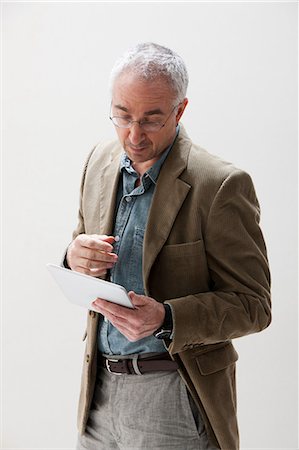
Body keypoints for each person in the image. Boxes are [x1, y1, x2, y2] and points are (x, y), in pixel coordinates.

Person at [64, 42, 271, 450]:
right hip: (98, 395)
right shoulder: (98, 161)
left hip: (175, 394)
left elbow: (254, 306)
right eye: (121, 116)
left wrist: (168, 317)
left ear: (180, 110)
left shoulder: (221, 186)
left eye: (151, 120)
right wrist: (73, 257)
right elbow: (79, 244)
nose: (133, 135)